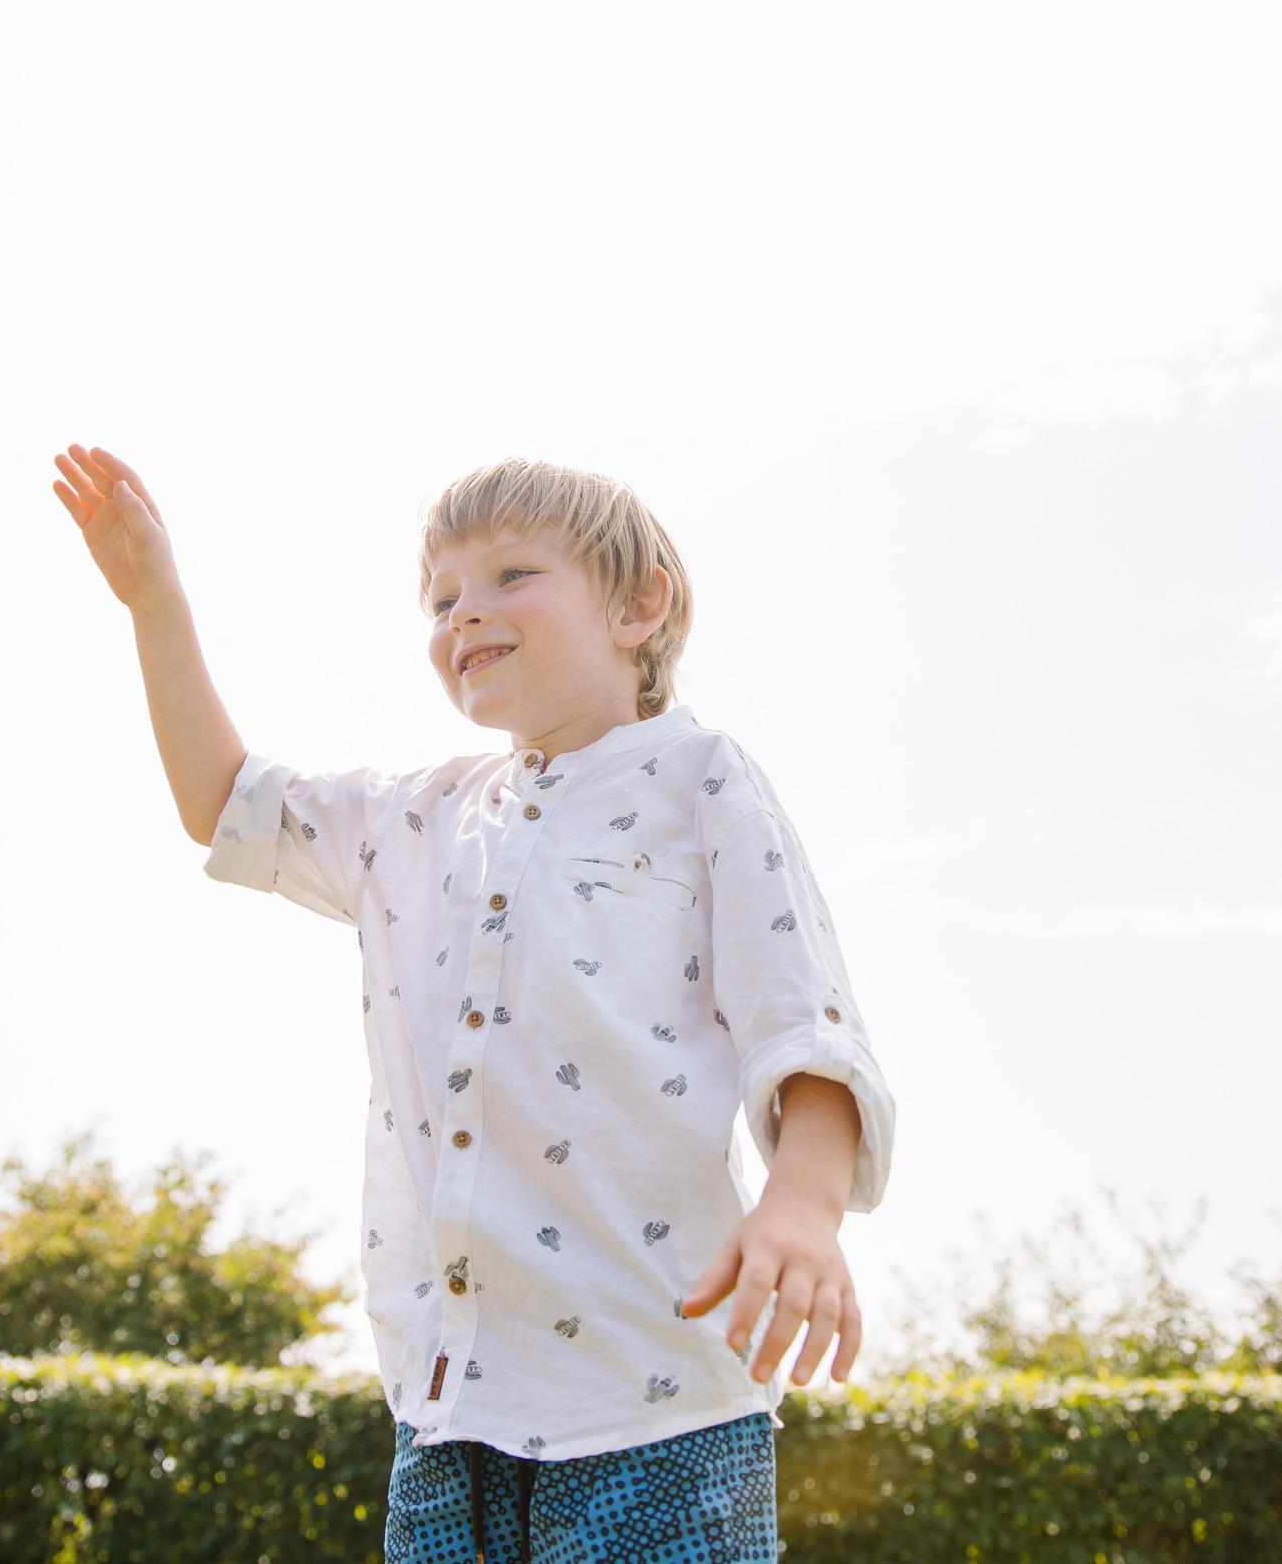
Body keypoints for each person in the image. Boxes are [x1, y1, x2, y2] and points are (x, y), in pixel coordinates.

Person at [53, 445, 891, 1561]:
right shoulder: (418, 818)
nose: (465, 613)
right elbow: (225, 803)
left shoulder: (700, 783)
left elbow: (804, 1018)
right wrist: (153, 600)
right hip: (447, 1403)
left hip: (650, 1397)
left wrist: (802, 1204)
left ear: (638, 608)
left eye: (509, 576)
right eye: (441, 596)